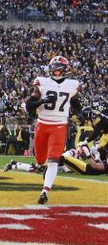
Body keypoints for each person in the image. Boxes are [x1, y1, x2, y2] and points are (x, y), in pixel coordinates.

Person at [25, 56, 81, 204]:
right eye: (54, 66)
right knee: (40, 159)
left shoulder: (72, 84)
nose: (56, 69)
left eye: (58, 66)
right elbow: (29, 105)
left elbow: (76, 104)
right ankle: (48, 172)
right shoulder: (42, 82)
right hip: (42, 124)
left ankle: (45, 191)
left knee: (53, 160)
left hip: (60, 125)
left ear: (64, 69)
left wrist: (81, 114)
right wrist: (41, 101)